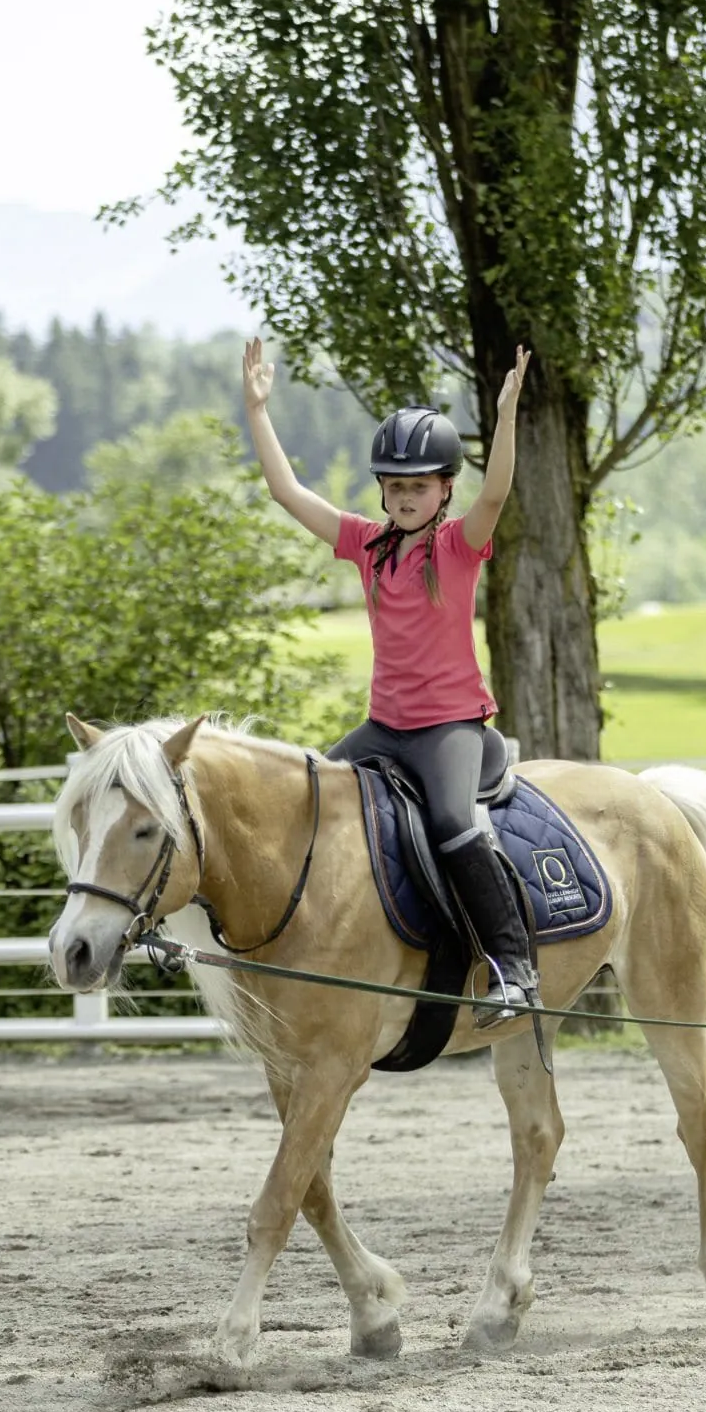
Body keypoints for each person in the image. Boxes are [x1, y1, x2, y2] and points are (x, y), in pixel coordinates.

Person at [242, 336, 538, 1026]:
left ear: (443, 491)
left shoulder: (459, 546)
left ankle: (513, 969)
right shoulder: (365, 546)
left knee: (453, 824)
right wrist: (258, 409)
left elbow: (497, 490)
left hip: (448, 728)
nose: (405, 498)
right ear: (383, 489)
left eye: (419, 487)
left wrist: (508, 416)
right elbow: (287, 492)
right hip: (384, 727)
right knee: (306, 805)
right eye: (396, 486)